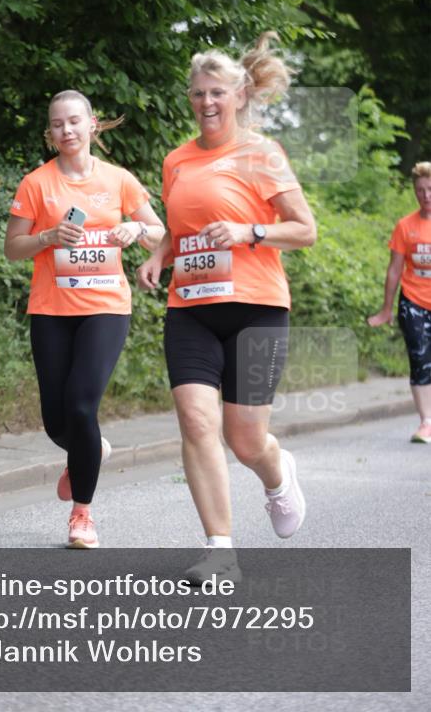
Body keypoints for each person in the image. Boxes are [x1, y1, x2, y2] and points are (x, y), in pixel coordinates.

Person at [137, 32, 317, 583]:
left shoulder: (262, 153)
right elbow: (182, 224)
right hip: (190, 306)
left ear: (239, 96)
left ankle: (275, 469)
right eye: (197, 94)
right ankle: (220, 550)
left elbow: (304, 230)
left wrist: (248, 230)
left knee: (244, 438)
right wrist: (161, 255)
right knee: (195, 422)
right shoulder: (176, 160)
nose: (207, 103)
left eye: (216, 92)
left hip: (257, 308)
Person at [4, 90, 164, 548]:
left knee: (80, 405)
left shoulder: (119, 180)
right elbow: (12, 248)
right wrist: (49, 236)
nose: (66, 130)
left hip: (105, 308)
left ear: (93, 124)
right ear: (50, 133)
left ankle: (82, 515)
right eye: (57, 124)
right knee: (56, 421)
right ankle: (90, 448)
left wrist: (136, 228)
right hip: (51, 310)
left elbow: (159, 233)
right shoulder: (36, 183)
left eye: (74, 121)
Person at [368, 162, 431, 443]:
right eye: (420, 190)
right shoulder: (406, 226)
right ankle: (426, 422)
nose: (426, 195)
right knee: (420, 360)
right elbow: (394, 269)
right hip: (413, 301)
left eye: (430, 189)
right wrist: (386, 309)